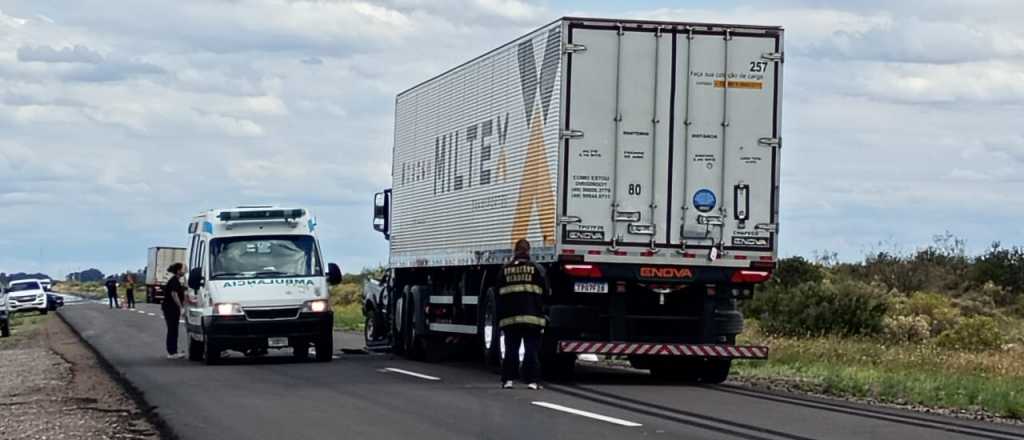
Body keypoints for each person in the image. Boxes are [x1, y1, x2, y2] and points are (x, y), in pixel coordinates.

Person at [497, 238, 549, 390]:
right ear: (528, 251)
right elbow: (546, 292)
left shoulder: (505, 269)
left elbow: (499, 293)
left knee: (511, 349)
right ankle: (532, 381)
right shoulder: (537, 269)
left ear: (515, 251)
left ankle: (508, 380)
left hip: (510, 319)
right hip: (533, 319)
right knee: (531, 350)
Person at [162, 263, 186, 359]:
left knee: (173, 329)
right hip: (171, 308)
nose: (184, 271)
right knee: (172, 329)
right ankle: (172, 352)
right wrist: (180, 307)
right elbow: (174, 294)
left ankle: (172, 351)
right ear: (178, 271)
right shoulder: (174, 281)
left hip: (171, 308)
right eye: (183, 269)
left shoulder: (176, 280)